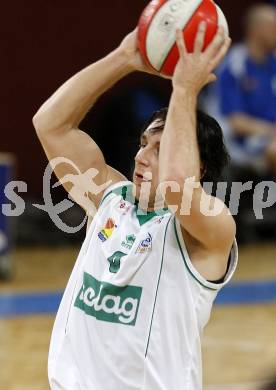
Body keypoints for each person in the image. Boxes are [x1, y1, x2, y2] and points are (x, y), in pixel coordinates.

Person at [33, 23, 237, 390]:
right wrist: (124, 57)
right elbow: (51, 125)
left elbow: (177, 187)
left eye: (159, 148)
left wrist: (185, 91)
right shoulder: (108, 195)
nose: (141, 156)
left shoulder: (212, 226)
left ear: (199, 166)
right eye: (143, 143)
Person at [217, 4, 276, 176]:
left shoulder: (273, 61)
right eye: (273, 27)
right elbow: (236, 122)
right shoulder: (235, 64)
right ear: (256, 30)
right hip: (247, 140)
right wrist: (272, 131)